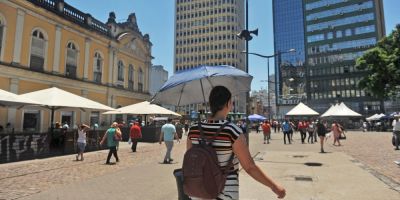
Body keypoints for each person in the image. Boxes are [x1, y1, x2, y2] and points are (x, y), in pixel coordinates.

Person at [187, 86, 285, 199]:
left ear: (211, 104)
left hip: (198, 192)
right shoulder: (232, 131)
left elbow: (192, 161)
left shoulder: (193, 129)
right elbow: (249, 167)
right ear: (229, 104)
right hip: (224, 193)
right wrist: (274, 186)